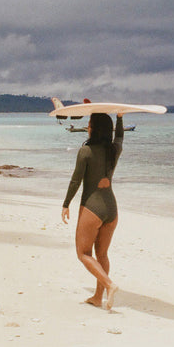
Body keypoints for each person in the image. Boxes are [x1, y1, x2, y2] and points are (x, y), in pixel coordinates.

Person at [61, 112, 125, 309]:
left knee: (83, 253)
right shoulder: (114, 150)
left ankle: (109, 285)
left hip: (93, 206)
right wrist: (120, 118)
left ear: (94, 128)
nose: (88, 127)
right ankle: (98, 297)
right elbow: (120, 137)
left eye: (90, 124)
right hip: (111, 208)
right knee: (102, 254)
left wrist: (66, 204)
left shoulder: (86, 151)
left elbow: (76, 180)